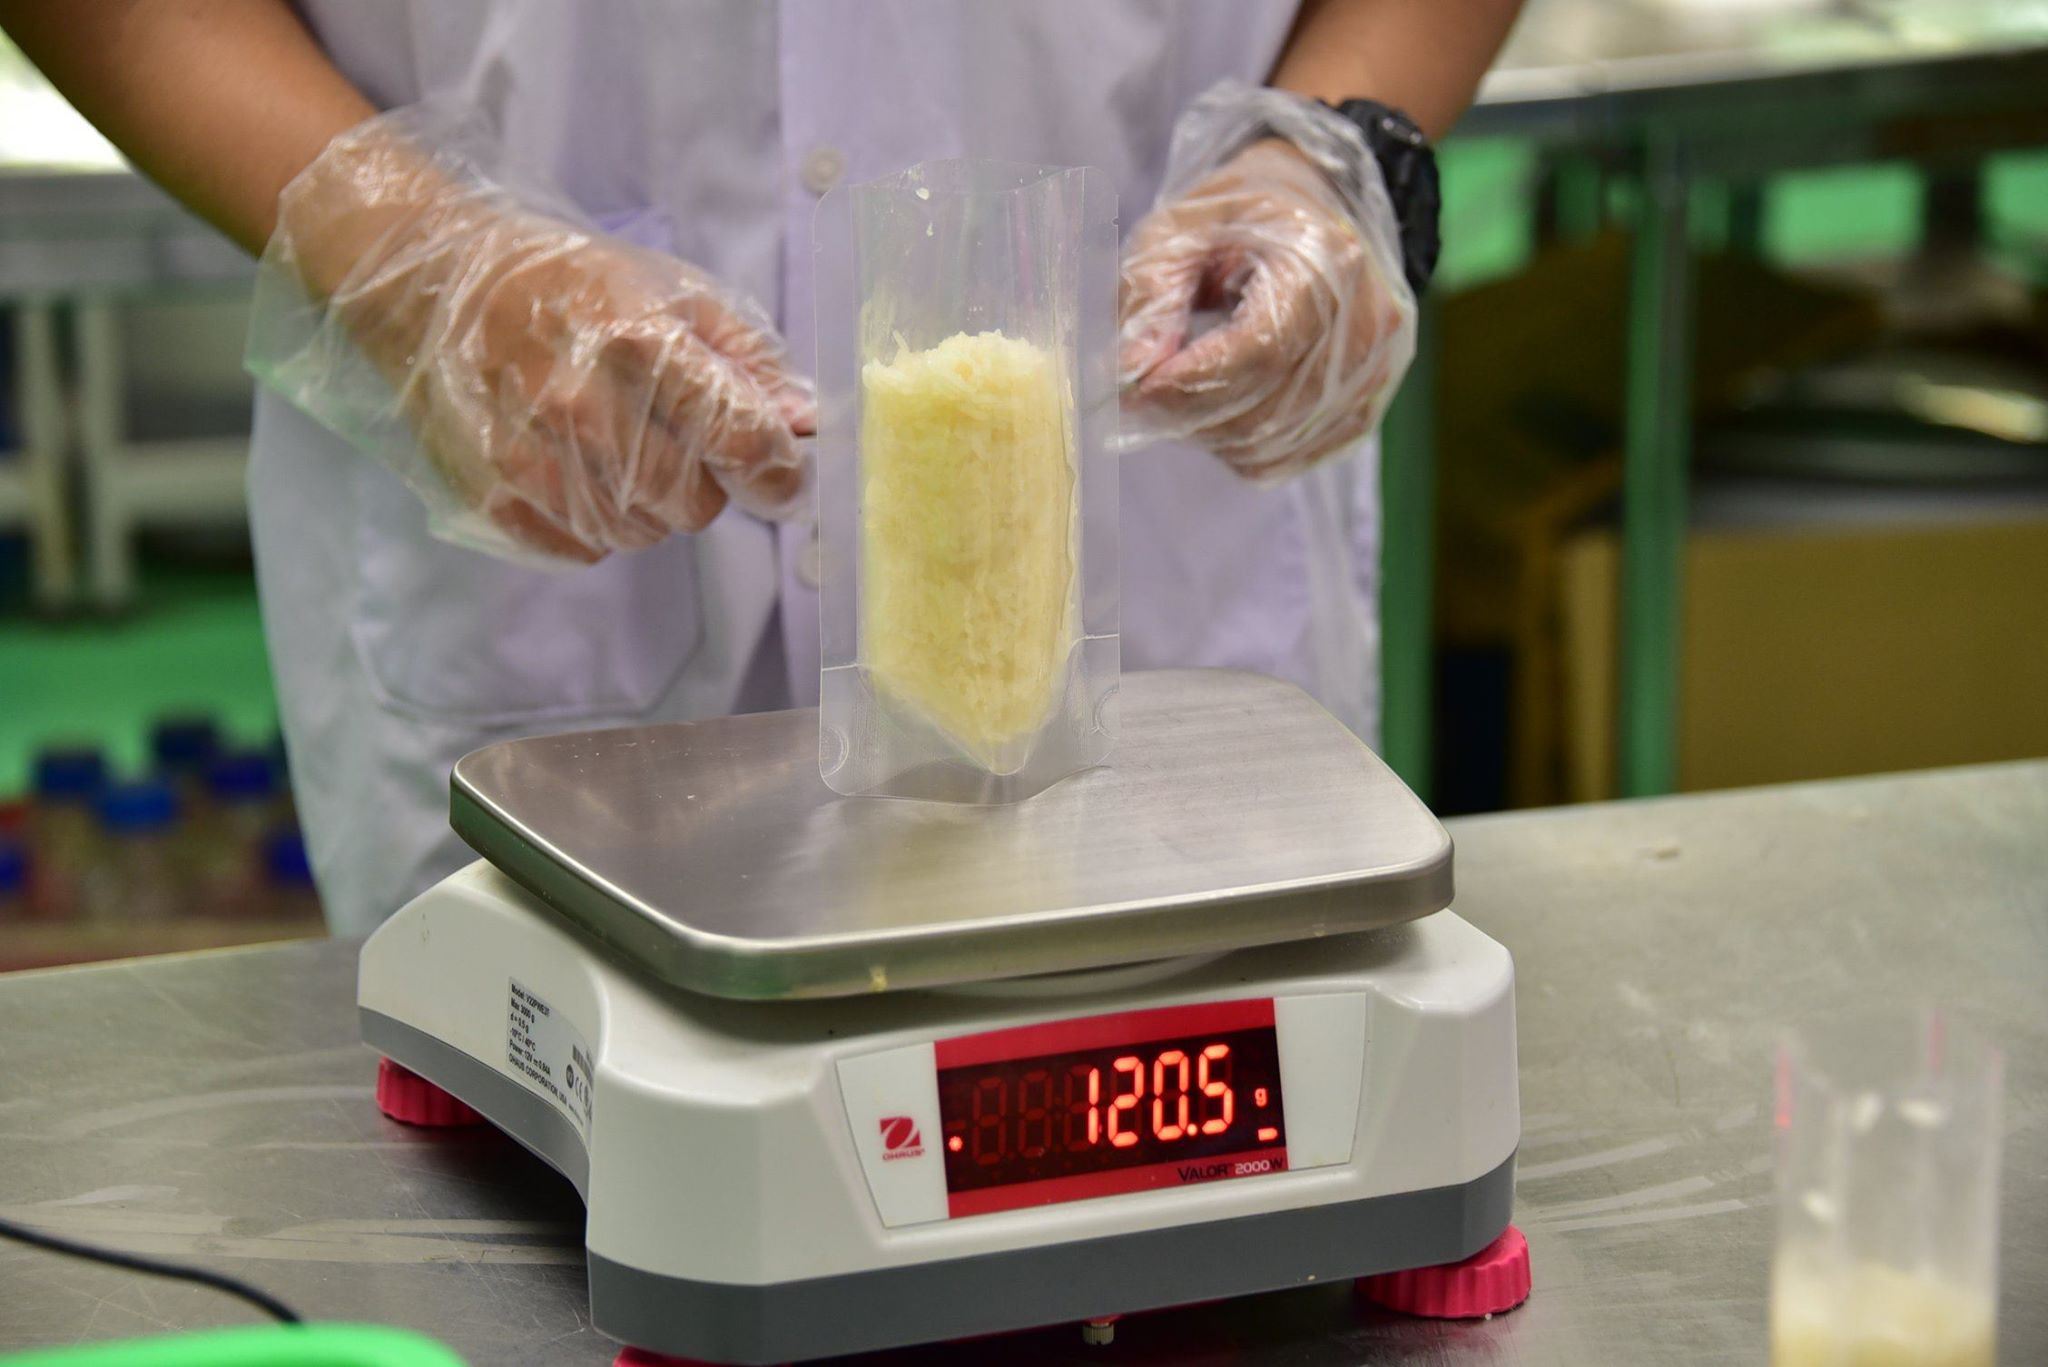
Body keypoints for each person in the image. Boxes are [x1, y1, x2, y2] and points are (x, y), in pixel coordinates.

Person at [1, 0, 1520, 934]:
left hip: (1163, 536)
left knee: (1190, 1249)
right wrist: (414, 258)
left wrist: (1324, 157)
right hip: (539, 585)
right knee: (550, 1253)